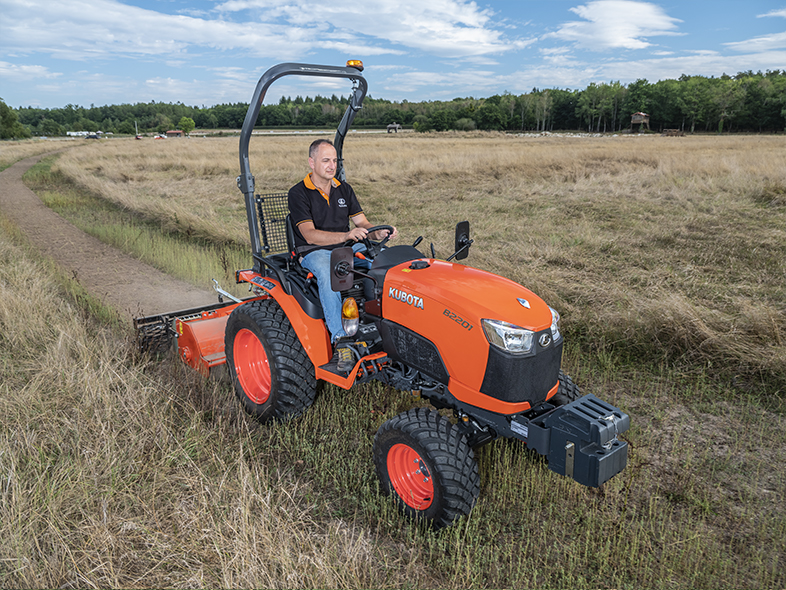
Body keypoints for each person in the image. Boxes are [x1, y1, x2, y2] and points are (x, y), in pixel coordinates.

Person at [288, 138, 397, 370]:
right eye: (326, 160)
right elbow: (309, 235)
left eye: (335, 160)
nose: (331, 165)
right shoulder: (298, 193)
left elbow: (362, 223)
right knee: (330, 274)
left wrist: (378, 233)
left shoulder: (344, 189)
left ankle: (391, 323)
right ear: (311, 162)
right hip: (314, 251)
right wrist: (346, 236)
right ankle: (342, 341)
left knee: (386, 260)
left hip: (347, 245)